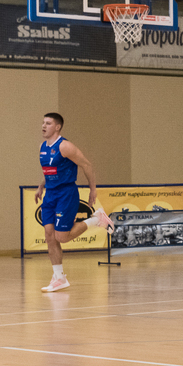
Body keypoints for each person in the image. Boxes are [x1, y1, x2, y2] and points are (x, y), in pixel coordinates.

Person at [35, 112, 114, 293]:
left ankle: (96, 219)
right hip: (50, 194)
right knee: (49, 236)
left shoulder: (65, 146)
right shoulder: (42, 147)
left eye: (48, 123)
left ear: (57, 127)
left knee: (61, 237)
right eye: (43, 122)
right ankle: (59, 278)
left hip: (66, 193)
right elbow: (50, 170)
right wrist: (41, 186)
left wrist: (93, 189)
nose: (43, 126)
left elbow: (87, 165)